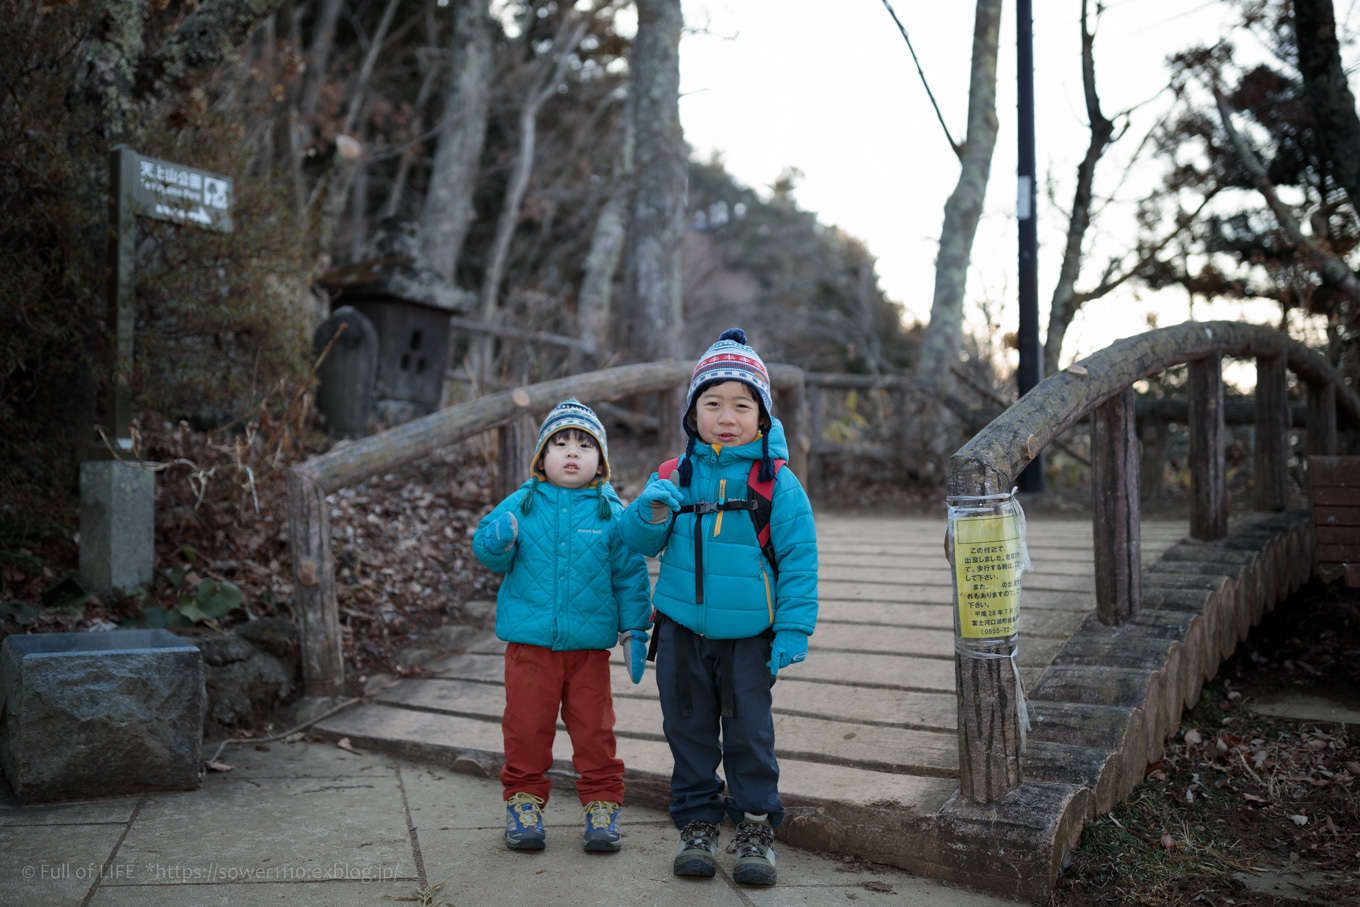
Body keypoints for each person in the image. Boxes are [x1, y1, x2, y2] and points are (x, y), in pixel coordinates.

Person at [619, 329, 819, 887]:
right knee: (688, 730)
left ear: (762, 415)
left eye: (741, 404)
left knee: (750, 733)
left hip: (749, 635)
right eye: (712, 403)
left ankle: (755, 824)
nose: (726, 416)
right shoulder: (672, 475)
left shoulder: (777, 483)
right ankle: (699, 821)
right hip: (680, 630)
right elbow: (639, 543)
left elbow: (800, 559)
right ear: (692, 414)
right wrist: (650, 512)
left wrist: (794, 629)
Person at [472, 398, 651, 854]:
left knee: (595, 730)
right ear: (542, 457)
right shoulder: (522, 502)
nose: (572, 452)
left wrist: (634, 631)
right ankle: (524, 801)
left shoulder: (612, 512)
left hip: (589, 651)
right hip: (530, 648)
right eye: (560, 443)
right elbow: (488, 547)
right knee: (526, 728)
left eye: (585, 445)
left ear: (600, 462)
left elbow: (630, 576)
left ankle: (601, 805)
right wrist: (498, 541)